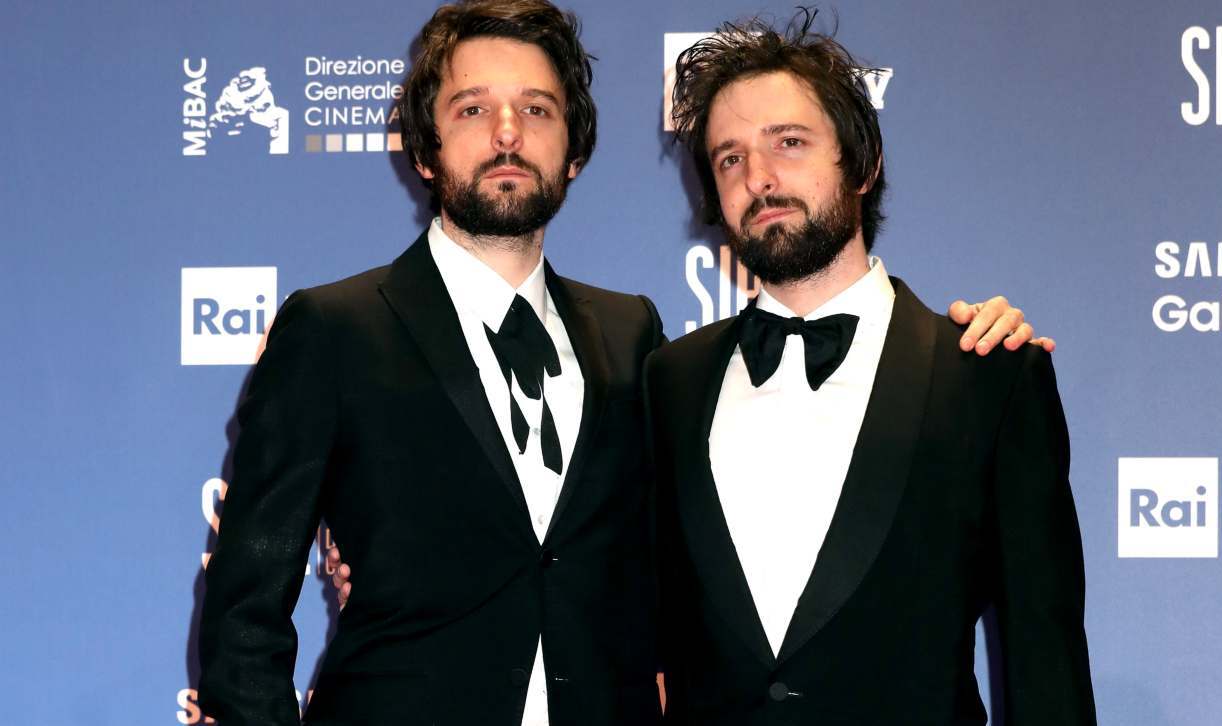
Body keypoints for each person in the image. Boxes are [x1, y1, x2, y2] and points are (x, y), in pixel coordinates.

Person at [200, 1, 1047, 724]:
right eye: (471, 109)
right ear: (424, 149)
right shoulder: (333, 330)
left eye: (537, 110)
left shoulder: (635, 342)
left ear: (573, 150)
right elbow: (244, 619)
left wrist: (977, 350)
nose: (506, 133)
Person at [644, 10, 1097, 724]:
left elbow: (1046, 661)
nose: (759, 177)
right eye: (730, 158)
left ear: (862, 163)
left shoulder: (987, 373)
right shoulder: (669, 381)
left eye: (789, 142)